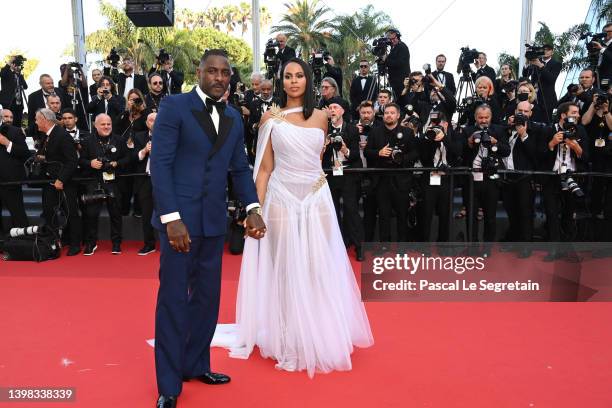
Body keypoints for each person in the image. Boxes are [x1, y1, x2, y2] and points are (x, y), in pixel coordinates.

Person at [214, 57, 373, 378]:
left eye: (299, 75)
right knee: (285, 268)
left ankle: (318, 330)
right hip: (281, 198)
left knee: (319, 266)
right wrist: (253, 210)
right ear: (281, 81)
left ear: (308, 80)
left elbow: (317, 159)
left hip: (317, 196)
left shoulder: (322, 117)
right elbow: (264, 169)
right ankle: (288, 335)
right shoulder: (270, 118)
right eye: (288, 76)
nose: (294, 81)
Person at [150, 49, 266, 408]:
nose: (218, 77)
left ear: (231, 77)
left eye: (225, 73)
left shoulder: (232, 116)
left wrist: (252, 208)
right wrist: (171, 218)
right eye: (212, 71)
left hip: (213, 222)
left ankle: (196, 364)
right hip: (179, 224)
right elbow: (161, 164)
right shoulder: (174, 107)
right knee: (173, 301)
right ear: (199, 73)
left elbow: (239, 169)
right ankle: (169, 385)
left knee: (206, 300)